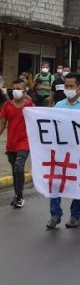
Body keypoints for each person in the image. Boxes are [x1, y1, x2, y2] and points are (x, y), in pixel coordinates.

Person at [46, 73, 80, 230]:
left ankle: (75, 216)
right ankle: (55, 214)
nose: (67, 89)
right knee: (55, 182)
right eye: (65, 86)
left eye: (70, 86)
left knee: (79, 184)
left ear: (79, 88)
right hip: (60, 151)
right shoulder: (59, 106)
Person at [0, 79, 35, 208]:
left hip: (24, 143)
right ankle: (17, 195)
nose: (16, 91)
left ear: (24, 90)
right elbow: (2, 123)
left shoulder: (30, 107)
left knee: (19, 167)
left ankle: (19, 197)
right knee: (15, 171)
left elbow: (38, 123)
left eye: (19, 89)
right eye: (14, 88)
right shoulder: (7, 105)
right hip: (11, 144)